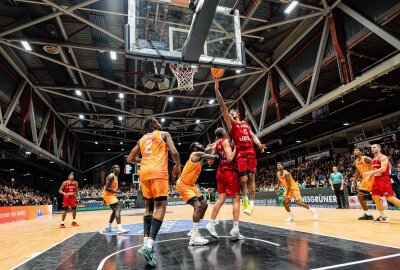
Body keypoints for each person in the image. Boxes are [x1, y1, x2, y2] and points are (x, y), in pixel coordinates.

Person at [126, 117, 181, 266]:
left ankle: (145, 243)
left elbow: (130, 158)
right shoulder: (164, 134)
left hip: (144, 174)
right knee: (161, 207)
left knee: (148, 208)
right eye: (157, 121)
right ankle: (149, 246)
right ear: (154, 125)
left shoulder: (142, 139)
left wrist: (142, 161)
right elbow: (174, 152)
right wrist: (178, 166)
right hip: (158, 173)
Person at [214, 78, 266, 216]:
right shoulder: (232, 125)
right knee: (243, 179)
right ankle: (245, 200)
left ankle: (252, 206)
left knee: (252, 178)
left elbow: (253, 135)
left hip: (251, 151)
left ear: (238, 114)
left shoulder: (245, 124)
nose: (230, 114)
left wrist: (259, 144)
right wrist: (216, 90)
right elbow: (223, 107)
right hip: (241, 153)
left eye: (233, 113)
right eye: (229, 114)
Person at [205, 128, 243, 240]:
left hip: (219, 173)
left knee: (221, 199)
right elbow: (230, 158)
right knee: (236, 199)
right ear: (224, 134)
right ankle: (235, 229)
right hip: (229, 172)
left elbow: (210, 162)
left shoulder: (216, 145)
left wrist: (211, 151)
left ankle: (211, 224)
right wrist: (236, 148)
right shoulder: (226, 142)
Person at [177, 142, 217, 246]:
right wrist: (220, 155)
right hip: (183, 184)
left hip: (191, 185)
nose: (201, 144)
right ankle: (194, 238)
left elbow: (209, 148)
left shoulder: (200, 154)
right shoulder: (194, 155)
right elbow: (209, 155)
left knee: (204, 204)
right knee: (198, 206)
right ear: (194, 148)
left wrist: (220, 142)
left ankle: (193, 231)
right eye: (199, 144)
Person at [364, 144, 400, 222]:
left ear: (379, 149)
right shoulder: (373, 159)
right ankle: (382, 216)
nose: (372, 149)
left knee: (389, 197)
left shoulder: (383, 157)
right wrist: (368, 177)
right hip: (376, 180)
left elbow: (383, 169)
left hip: (384, 179)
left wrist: (370, 173)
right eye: (371, 148)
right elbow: (375, 171)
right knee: (375, 197)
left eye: (374, 147)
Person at [102, 165, 129, 234]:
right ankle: (119, 228)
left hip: (111, 194)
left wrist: (118, 192)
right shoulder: (111, 176)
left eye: (119, 167)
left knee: (115, 211)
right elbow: (106, 188)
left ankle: (109, 226)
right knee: (117, 208)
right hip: (108, 194)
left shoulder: (116, 176)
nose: (118, 168)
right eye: (116, 167)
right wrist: (116, 192)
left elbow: (112, 188)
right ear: (113, 169)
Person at [353, 148, 374, 220]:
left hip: (371, 177)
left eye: (357, 150)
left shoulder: (365, 158)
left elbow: (376, 163)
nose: (356, 151)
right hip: (366, 179)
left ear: (361, 152)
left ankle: (367, 214)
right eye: (355, 150)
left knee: (387, 196)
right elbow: (358, 172)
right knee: (360, 195)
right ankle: (367, 214)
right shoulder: (356, 162)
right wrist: (354, 181)